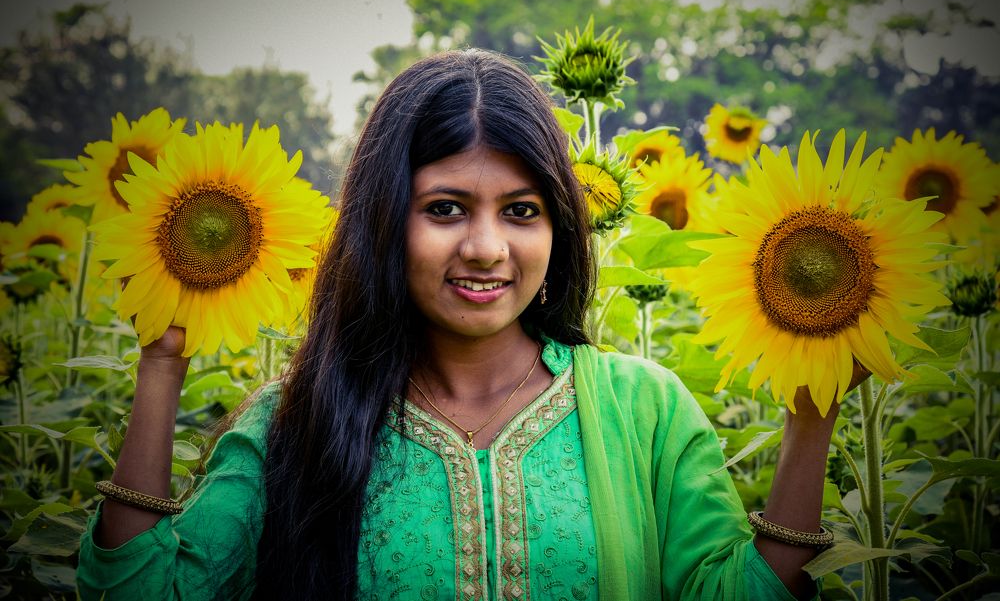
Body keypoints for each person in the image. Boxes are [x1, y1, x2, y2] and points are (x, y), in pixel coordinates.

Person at [77, 49, 865, 600]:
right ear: (385, 221)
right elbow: (145, 589)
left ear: (559, 228)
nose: (487, 248)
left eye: (521, 211)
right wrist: (161, 361)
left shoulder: (645, 411)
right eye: (446, 208)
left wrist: (812, 421)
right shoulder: (296, 423)